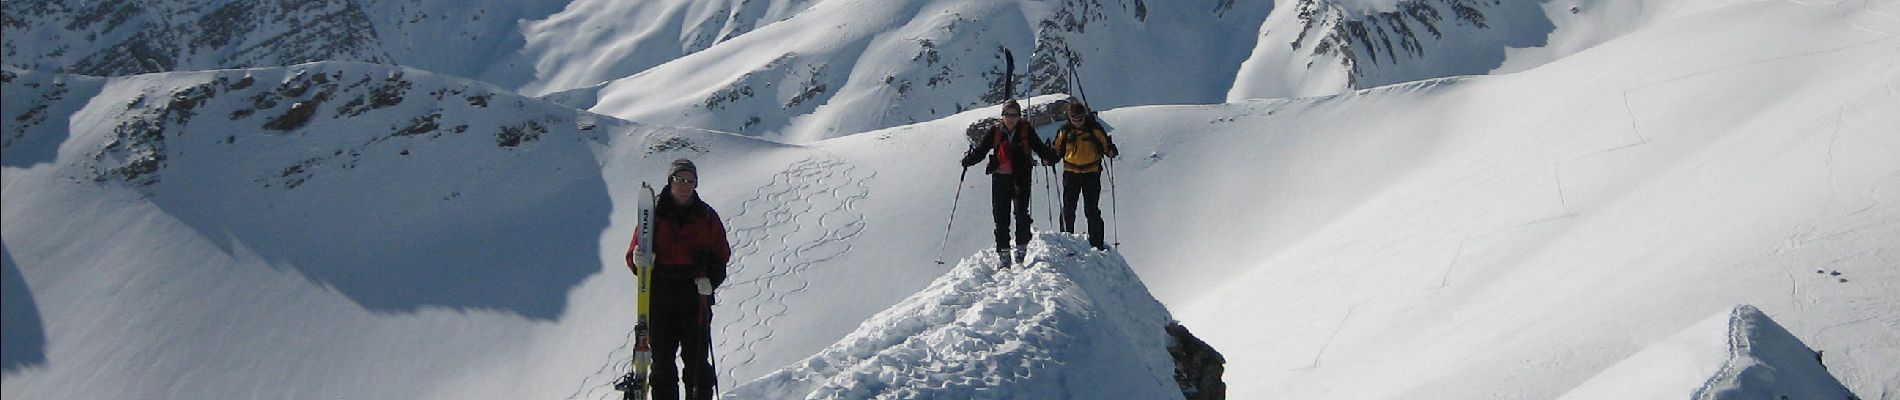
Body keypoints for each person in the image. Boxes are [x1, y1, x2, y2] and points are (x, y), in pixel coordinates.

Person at [625, 158, 730, 400]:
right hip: (661, 297)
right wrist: (637, 260)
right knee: (662, 362)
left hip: (695, 298)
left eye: (690, 181)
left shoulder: (707, 217)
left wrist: (711, 281)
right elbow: (634, 254)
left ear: (696, 184)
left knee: (696, 362)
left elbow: (721, 254)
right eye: (679, 179)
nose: (684, 185)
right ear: (670, 181)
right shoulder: (652, 216)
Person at [960, 100, 1059, 268]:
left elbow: (1040, 148)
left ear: (1019, 116)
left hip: (1020, 178)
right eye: (1008, 115)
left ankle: (1021, 248)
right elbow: (982, 150)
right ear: (1003, 115)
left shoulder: (1026, 131)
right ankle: (1004, 252)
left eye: (1014, 115)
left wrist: (1051, 156)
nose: (1011, 118)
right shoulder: (996, 131)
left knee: (1021, 214)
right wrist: (968, 161)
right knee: (1001, 217)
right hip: (1001, 179)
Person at [1051, 101, 1118, 250]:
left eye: (1079, 119)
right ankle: (1066, 241)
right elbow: (1057, 150)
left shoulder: (1094, 129)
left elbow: (1106, 146)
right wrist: (1049, 158)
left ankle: (1097, 244)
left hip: (1091, 174)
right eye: (1073, 119)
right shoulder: (1064, 131)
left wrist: (1111, 151)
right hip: (1071, 173)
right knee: (1068, 208)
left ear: (1084, 116)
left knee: (1091, 209)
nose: (1077, 122)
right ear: (1069, 117)